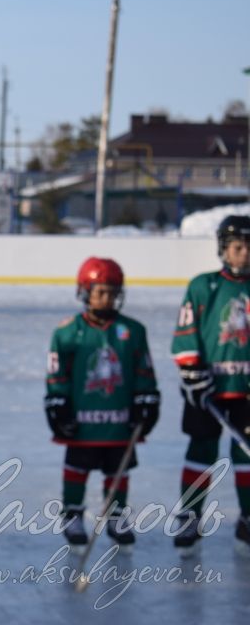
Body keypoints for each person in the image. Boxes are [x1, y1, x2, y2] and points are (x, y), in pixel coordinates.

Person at [44, 257, 160, 549]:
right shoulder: (68, 332)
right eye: (100, 292)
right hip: (83, 419)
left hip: (119, 419)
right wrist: (57, 404)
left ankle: (117, 517)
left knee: (118, 468)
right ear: (85, 292)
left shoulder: (133, 331)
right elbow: (57, 374)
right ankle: (72, 516)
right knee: (76, 467)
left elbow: (144, 371)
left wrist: (147, 400)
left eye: (112, 292)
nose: (107, 299)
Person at [171, 214, 250, 554]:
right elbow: (186, 335)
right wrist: (192, 373)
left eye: (249, 247)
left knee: (245, 457)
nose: (244, 253)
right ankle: (190, 517)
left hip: (245, 392)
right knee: (201, 453)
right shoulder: (203, 286)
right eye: (237, 247)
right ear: (223, 249)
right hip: (208, 391)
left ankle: (248, 519)